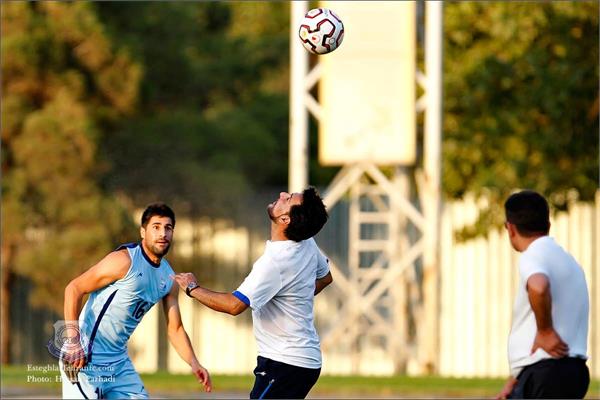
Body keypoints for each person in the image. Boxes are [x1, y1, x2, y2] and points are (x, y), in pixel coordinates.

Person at [173, 187, 333, 399]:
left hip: (285, 364)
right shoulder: (307, 243)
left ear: (285, 219)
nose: (283, 195)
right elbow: (326, 277)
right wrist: (294, 296)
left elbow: (234, 305)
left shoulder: (275, 262)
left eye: (288, 199)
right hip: (303, 361)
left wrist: (193, 288)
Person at [58, 203, 212, 399]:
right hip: (85, 358)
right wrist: (73, 342)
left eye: (168, 228)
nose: (162, 233)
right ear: (143, 232)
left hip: (119, 363)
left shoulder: (169, 278)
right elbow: (73, 288)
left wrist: (194, 363)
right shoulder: (124, 261)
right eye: (156, 227)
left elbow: (175, 329)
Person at [496, 190, 589, 399]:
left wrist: (545, 331)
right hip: (573, 371)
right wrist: (516, 379)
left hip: (545, 374)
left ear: (510, 228)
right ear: (548, 226)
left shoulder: (533, 255)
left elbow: (538, 285)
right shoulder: (570, 263)